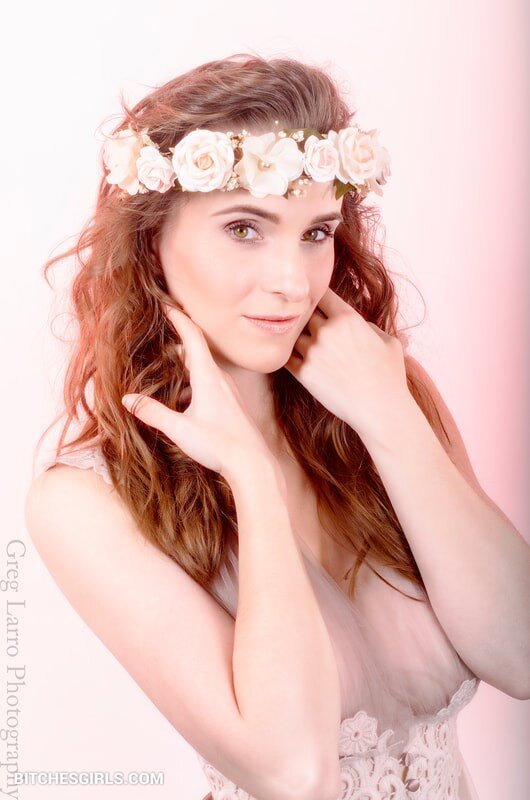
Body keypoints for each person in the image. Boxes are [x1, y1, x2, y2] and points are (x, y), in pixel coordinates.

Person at [25, 53, 529, 800]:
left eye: (316, 233)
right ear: (153, 239)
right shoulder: (85, 502)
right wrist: (252, 480)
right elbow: (295, 775)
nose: (292, 281)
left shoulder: (386, 394)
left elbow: (520, 653)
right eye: (244, 228)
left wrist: (390, 417)